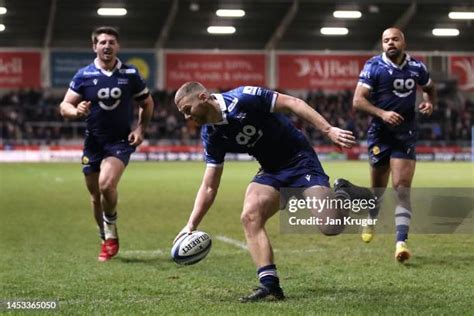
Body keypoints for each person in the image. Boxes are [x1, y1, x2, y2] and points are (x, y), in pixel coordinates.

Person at [172, 81, 374, 302]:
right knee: (250, 216)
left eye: (187, 110)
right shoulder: (210, 135)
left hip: (300, 161)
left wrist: (328, 130)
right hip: (271, 171)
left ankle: (344, 192)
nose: (186, 117)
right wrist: (191, 224)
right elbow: (210, 185)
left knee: (331, 227)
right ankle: (270, 285)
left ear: (203, 97)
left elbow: (293, 103)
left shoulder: (244, 98)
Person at [59, 26, 154, 262]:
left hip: (120, 141)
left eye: (111, 42)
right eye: (102, 42)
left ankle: (111, 232)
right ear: (95, 47)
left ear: (118, 46)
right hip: (93, 143)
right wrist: (76, 111)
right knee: (95, 196)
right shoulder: (83, 76)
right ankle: (105, 236)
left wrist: (141, 128)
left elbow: (147, 103)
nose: (107, 46)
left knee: (106, 185)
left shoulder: (130, 74)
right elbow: (64, 107)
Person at [353, 27, 436, 262]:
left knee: (401, 188)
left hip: (405, 134)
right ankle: (371, 218)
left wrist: (430, 103)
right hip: (380, 134)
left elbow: (430, 88)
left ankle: (401, 242)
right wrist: (382, 113)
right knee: (378, 191)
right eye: (386, 40)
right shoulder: (373, 66)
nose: (390, 43)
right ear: (382, 44)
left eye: (394, 39)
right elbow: (358, 100)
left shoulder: (417, 67)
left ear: (403, 42)